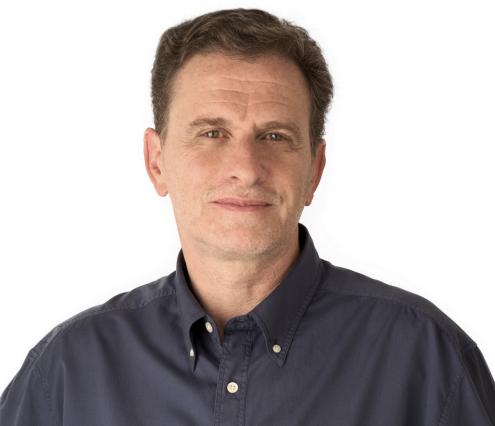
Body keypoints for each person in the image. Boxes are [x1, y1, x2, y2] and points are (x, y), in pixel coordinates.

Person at [1, 7, 494, 426]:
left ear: (314, 169)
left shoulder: (427, 359)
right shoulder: (66, 372)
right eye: (212, 133)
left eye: (275, 136)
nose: (246, 168)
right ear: (157, 161)